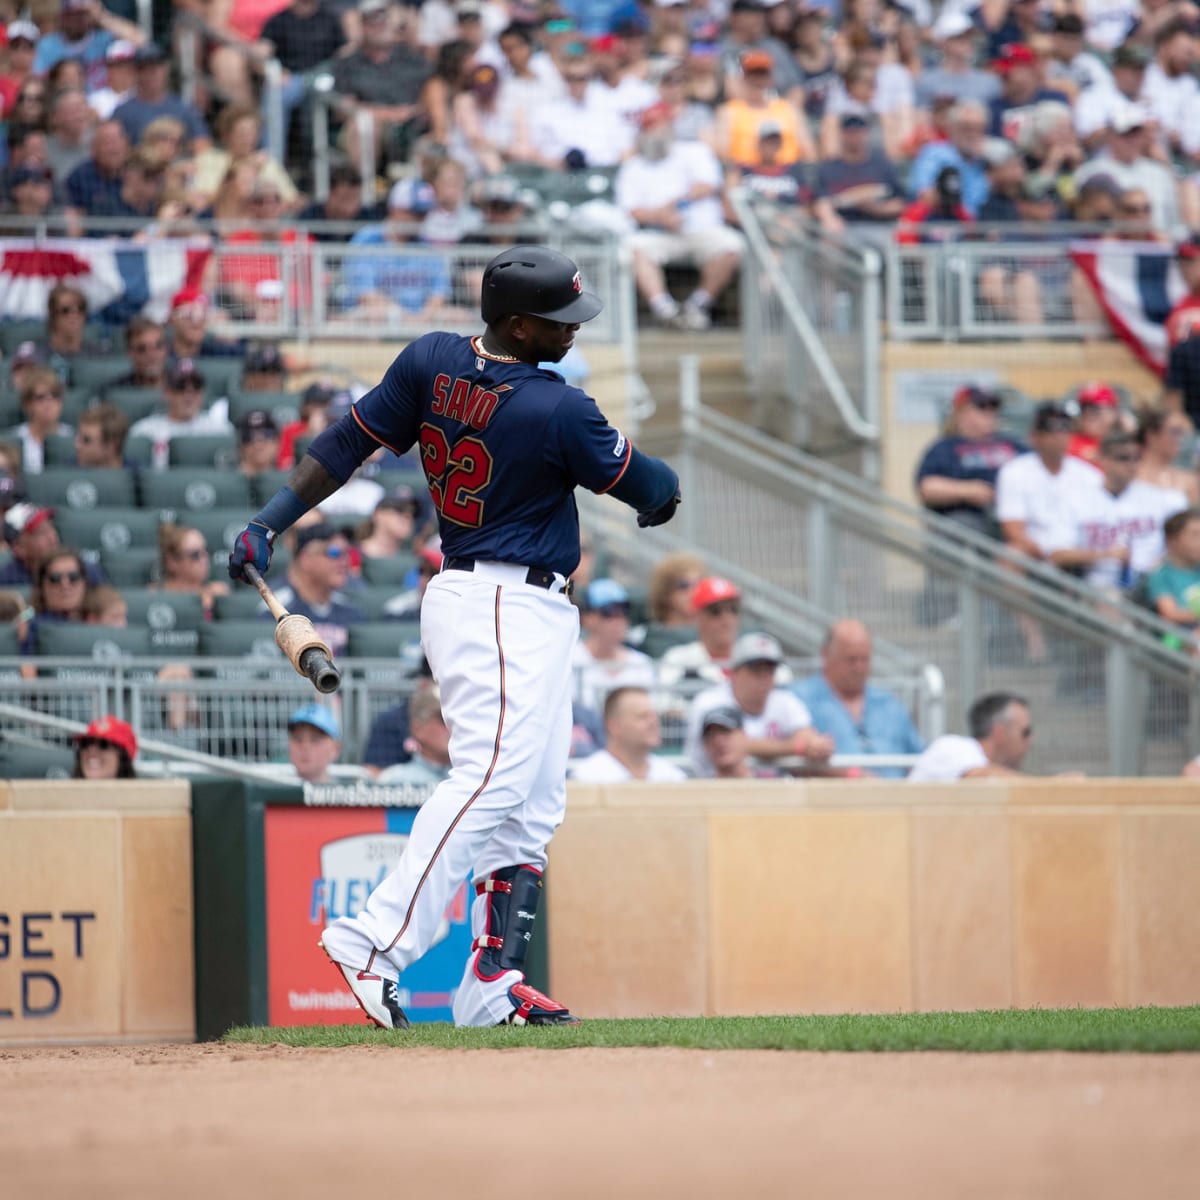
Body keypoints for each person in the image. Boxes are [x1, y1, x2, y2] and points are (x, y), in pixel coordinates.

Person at [228, 243, 680, 1029]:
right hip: (500, 602)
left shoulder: (434, 361)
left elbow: (343, 448)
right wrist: (659, 495)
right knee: (495, 777)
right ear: (513, 323)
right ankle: (374, 939)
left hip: (502, 602)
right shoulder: (557, 406)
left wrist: (269, 520)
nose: (572, 330)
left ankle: (488, 984)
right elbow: (654, 489)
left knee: (534, 802)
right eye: (556, 320)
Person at [617, 101, 744, 331]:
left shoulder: (694, 150)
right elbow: (631, 209)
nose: (653, 131)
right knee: (631, 247)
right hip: (658, 232)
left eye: (658, 124)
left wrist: (676, 205)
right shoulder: (634, 165)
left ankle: (697, 305)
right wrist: (659, 217)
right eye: (648, 125)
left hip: (701, 229)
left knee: (732, 245)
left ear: (669, 125)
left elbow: (708, 185)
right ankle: (666, 311)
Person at [684, 633, 833, 778]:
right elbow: (732, 745)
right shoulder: (709, 702)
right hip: (712, 788)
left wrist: (813, 746)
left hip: (773, 792)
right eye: (755, 669)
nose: (763, 676)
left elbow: (808, 738)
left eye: (769, 669)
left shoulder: (784, 700)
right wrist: (796, 748)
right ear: (734, 673)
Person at [792, 620, 924, 779]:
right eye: (851, 659)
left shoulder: (889, 704)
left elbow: (919, 757)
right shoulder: (798, 700)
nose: (859, 668)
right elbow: (790, 758)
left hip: (896, 799)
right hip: (830, 800)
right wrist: (853, 775)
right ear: (826, 655)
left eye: (865, 659)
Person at [995, 402, 1103, 563]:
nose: (1060, 436)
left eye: (1065, 429)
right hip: (1034, 556)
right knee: (1011, 554)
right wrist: (1047, 556)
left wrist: (1074, 556)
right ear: (1035, 437)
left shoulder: (1089, 475)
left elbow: (1101, 523)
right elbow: (1013, 529)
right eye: (1052, 430)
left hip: (1079, 557)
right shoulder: (1014, 471)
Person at [915, 385, 1026, 539]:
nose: (990, 413)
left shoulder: (1014, 445)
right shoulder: (945, 447)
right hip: (972, 518)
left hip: (1016, 515)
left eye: (993, 407)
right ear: (961, 412)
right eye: (981, 407)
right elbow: (928, 487)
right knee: (963, 526)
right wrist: (967, 490)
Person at [264, 523, 365, 657]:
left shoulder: (352, 611)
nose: (344, 561)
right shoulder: (277, 610)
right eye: (334, 553)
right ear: (306, 559)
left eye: (347, 553)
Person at [128, 358, 234, 469]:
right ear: (166, 393)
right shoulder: (144, 431)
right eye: (181, 387)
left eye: (196, 387)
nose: (189, 396)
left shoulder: (221, 430)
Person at [569, 686, 688, 782]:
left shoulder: (671, 776)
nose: (654, 723)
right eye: (643, 717)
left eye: (654, 716)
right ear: (614, 726)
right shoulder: (587, 778)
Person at [907, 692, 1036, 781]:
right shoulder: (953, 747)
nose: (1030, 741)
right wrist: (1046, 787)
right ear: (999, 733)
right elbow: (984, 777)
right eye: (1026, 732)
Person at [571, 578, 654, 711]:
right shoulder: (570, 659)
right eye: (609, 611)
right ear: (587, 617)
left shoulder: (642, 664)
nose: (618, 619)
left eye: (624, 610)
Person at [375, 683, 452, 786]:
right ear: (418, 728)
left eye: (453, 720)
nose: (451, 727)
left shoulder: (471, 778)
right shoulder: (395, 781)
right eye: (443, 719)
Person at [7, 368, 72, 475]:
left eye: (55, 396)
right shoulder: (13, 440)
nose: (49, 403)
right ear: (27, 404)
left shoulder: (73, 439)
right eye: (41, 397)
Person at [1145, 507, 1200, 630]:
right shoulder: (1161, 575)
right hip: (1175, 640)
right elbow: (1170, 614)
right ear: (1172, 540)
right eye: (1194, 535)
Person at [1136, 407, 1199, 504]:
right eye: (1175, 432)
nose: (1180, 439)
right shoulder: (1131, 475)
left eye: (1182, 433)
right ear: (1151, 436)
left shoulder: (1188, 481)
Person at [697, 703, 775, 779]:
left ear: (744, 736)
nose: (719, 741)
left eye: (726, 731)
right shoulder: (696, 789)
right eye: (711, 735)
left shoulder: (771, 786)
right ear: (705, 744)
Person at [286, 703, 342, 784]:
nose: (305, 746)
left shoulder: (349, 794)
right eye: (298, 739)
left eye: (315, 739)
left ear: (335, 748)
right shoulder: (275, 793)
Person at [1067, 383, 1120, 465]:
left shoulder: (1124, 445)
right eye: (1083, 408)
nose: (1088, 414)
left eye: (1095, 409)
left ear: (1113, 413)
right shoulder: (1066, 444)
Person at [71, 715, 138, 780]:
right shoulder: (63, 790)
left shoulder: (142, 791)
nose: (91, 751)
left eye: (104, 745)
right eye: (85, 744)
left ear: (123, 757)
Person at [73, 403, 129, 468]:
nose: (77, 446)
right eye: (78, 438)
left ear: (111, 446)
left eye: (86, 440)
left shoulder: (137, 475)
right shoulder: (68, 470)